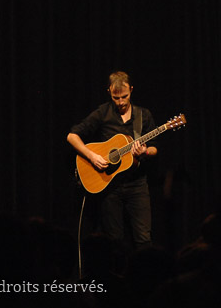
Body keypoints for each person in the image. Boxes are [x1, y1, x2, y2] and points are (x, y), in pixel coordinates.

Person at [67, 71, 158, 250]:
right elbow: (72, 136)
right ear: (109, 92)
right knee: (114, 241)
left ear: (131, 90)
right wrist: (92, 156)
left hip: (137, 185)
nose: (121, 102)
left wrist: (145, 151)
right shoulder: (103, 112)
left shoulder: (143, 115)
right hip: (110, 186)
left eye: (125, 96)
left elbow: (154, 147)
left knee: (143, 239)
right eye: (116, 98)